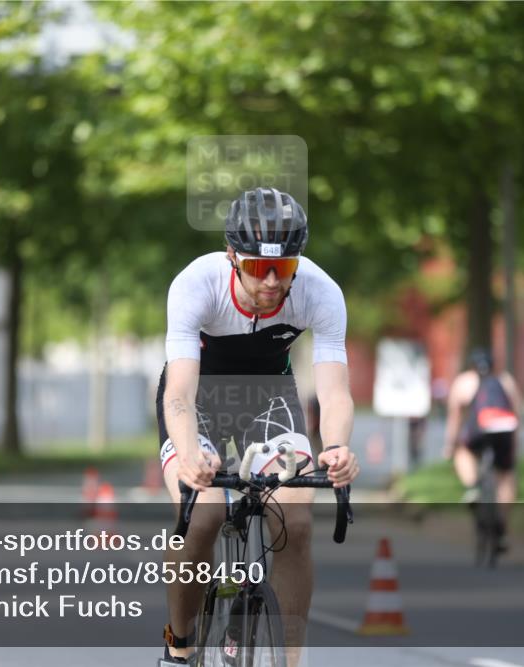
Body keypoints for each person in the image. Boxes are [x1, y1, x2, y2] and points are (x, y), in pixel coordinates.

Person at [157, 187, 359, 666]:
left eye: (284, 268)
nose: (271, 281)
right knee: (202, 516)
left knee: (297, 518)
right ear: (232, 257)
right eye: (255, 267)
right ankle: (179, 646)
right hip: (199, 402)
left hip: (268, 401)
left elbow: (334, 393)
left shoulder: (321, 292)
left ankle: (291, 659)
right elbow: (179, 394)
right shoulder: (195, 284)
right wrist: (189, 453)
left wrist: (336, 447)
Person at [443, 348, 521, 550]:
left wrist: (451, 446)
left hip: (479, 429)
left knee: (463, 451)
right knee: (506, 475)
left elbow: (455, 418)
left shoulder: (464, 381)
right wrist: (515, 445)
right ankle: (502, 524)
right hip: (505, 429)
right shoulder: (506, 380)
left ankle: (473, 488)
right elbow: (517, 415)